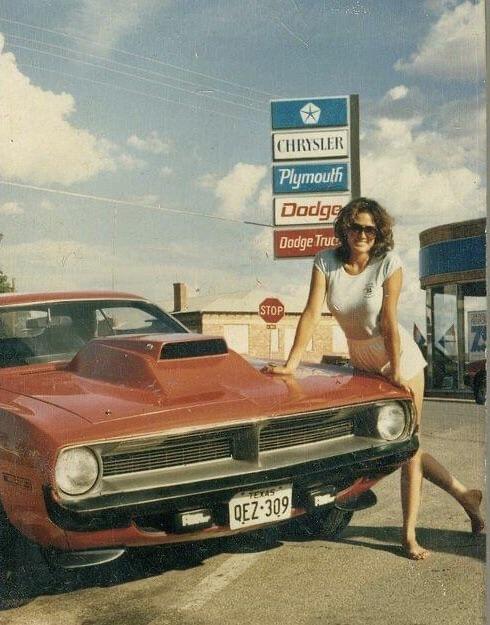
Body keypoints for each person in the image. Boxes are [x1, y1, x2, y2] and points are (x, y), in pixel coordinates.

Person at [264, 197, 484, 560]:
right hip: (361, 359)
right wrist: (290, 364)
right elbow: (310, 314)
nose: (362, 234)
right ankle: (465, 496)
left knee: (409, 448)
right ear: (344, 229)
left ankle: (409, 534)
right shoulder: (326, 262)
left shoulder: (387, 263)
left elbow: (388, 320)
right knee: (401, 444)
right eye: (356, 227)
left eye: (370, 228)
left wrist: (396, 368)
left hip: (398, 357)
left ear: (378, 232)